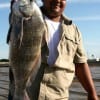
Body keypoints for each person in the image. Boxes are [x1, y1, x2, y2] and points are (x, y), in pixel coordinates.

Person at [7, 0, 99, 100]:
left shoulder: (74, 30)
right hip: (25, 94)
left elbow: (80, 64)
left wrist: (92, 92)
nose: (57, 0)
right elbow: (14, 31)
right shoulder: (24, 17)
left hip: (58, 97)